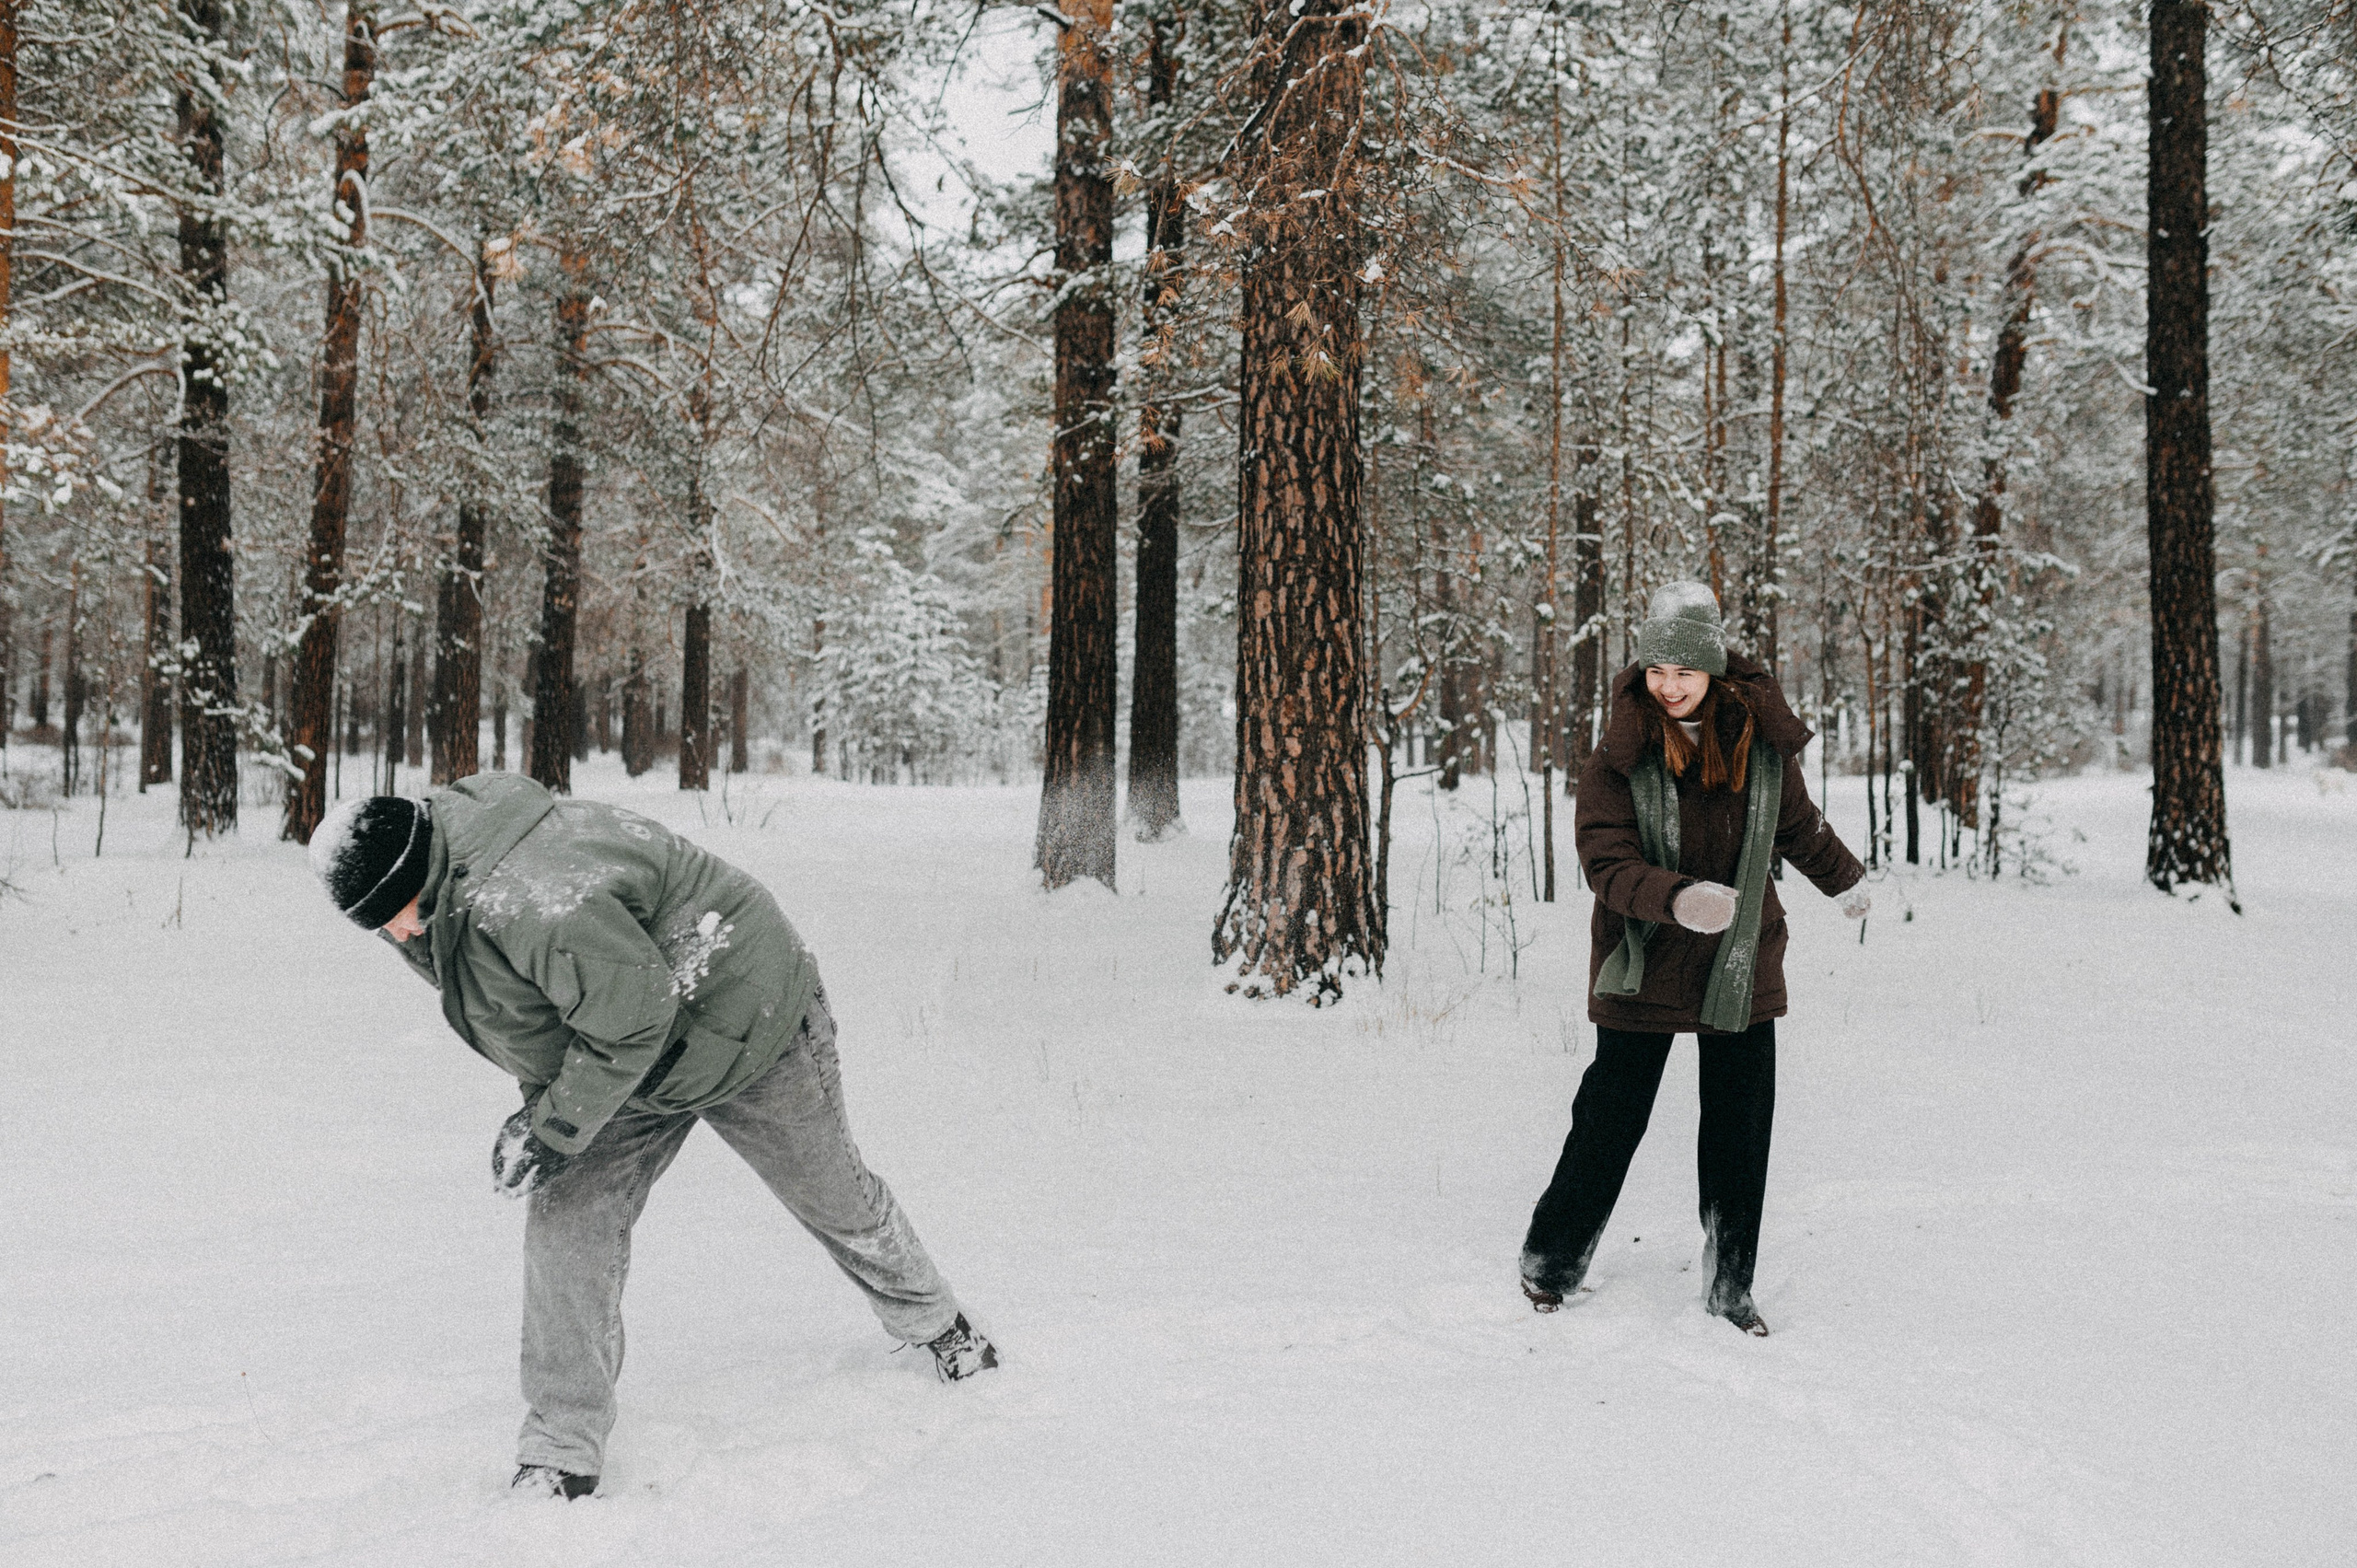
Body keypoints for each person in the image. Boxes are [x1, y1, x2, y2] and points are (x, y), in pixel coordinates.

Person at [309, 772, 996, 1500]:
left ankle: (942, 1324)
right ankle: (560, 1448)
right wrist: (549, 1120)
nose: (395, 934)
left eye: (393, 915)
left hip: (739, 1019)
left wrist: (552, 1127)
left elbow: (634, 1017)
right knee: (568, 1228)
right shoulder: (438, 891)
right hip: (616, 1052)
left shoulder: (539, 897)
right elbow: (533, 1014)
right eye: (378, 925)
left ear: (415, 874)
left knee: (834, 1197)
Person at [1520, 582, 1867, 1337]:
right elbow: (1606, 862)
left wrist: (1848, 879)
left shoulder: (1757, 743)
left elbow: (1797, 826)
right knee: (1611, 1116)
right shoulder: (1618, 756)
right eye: (1656, 671)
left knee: (1742, 1127)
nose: (1669, 686)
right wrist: (1676, 899)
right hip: (1643, 958)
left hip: (1740, 958)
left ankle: (1731, 1284)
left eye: (1685, 672)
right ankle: (1551, 1260)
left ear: (1714, 670)